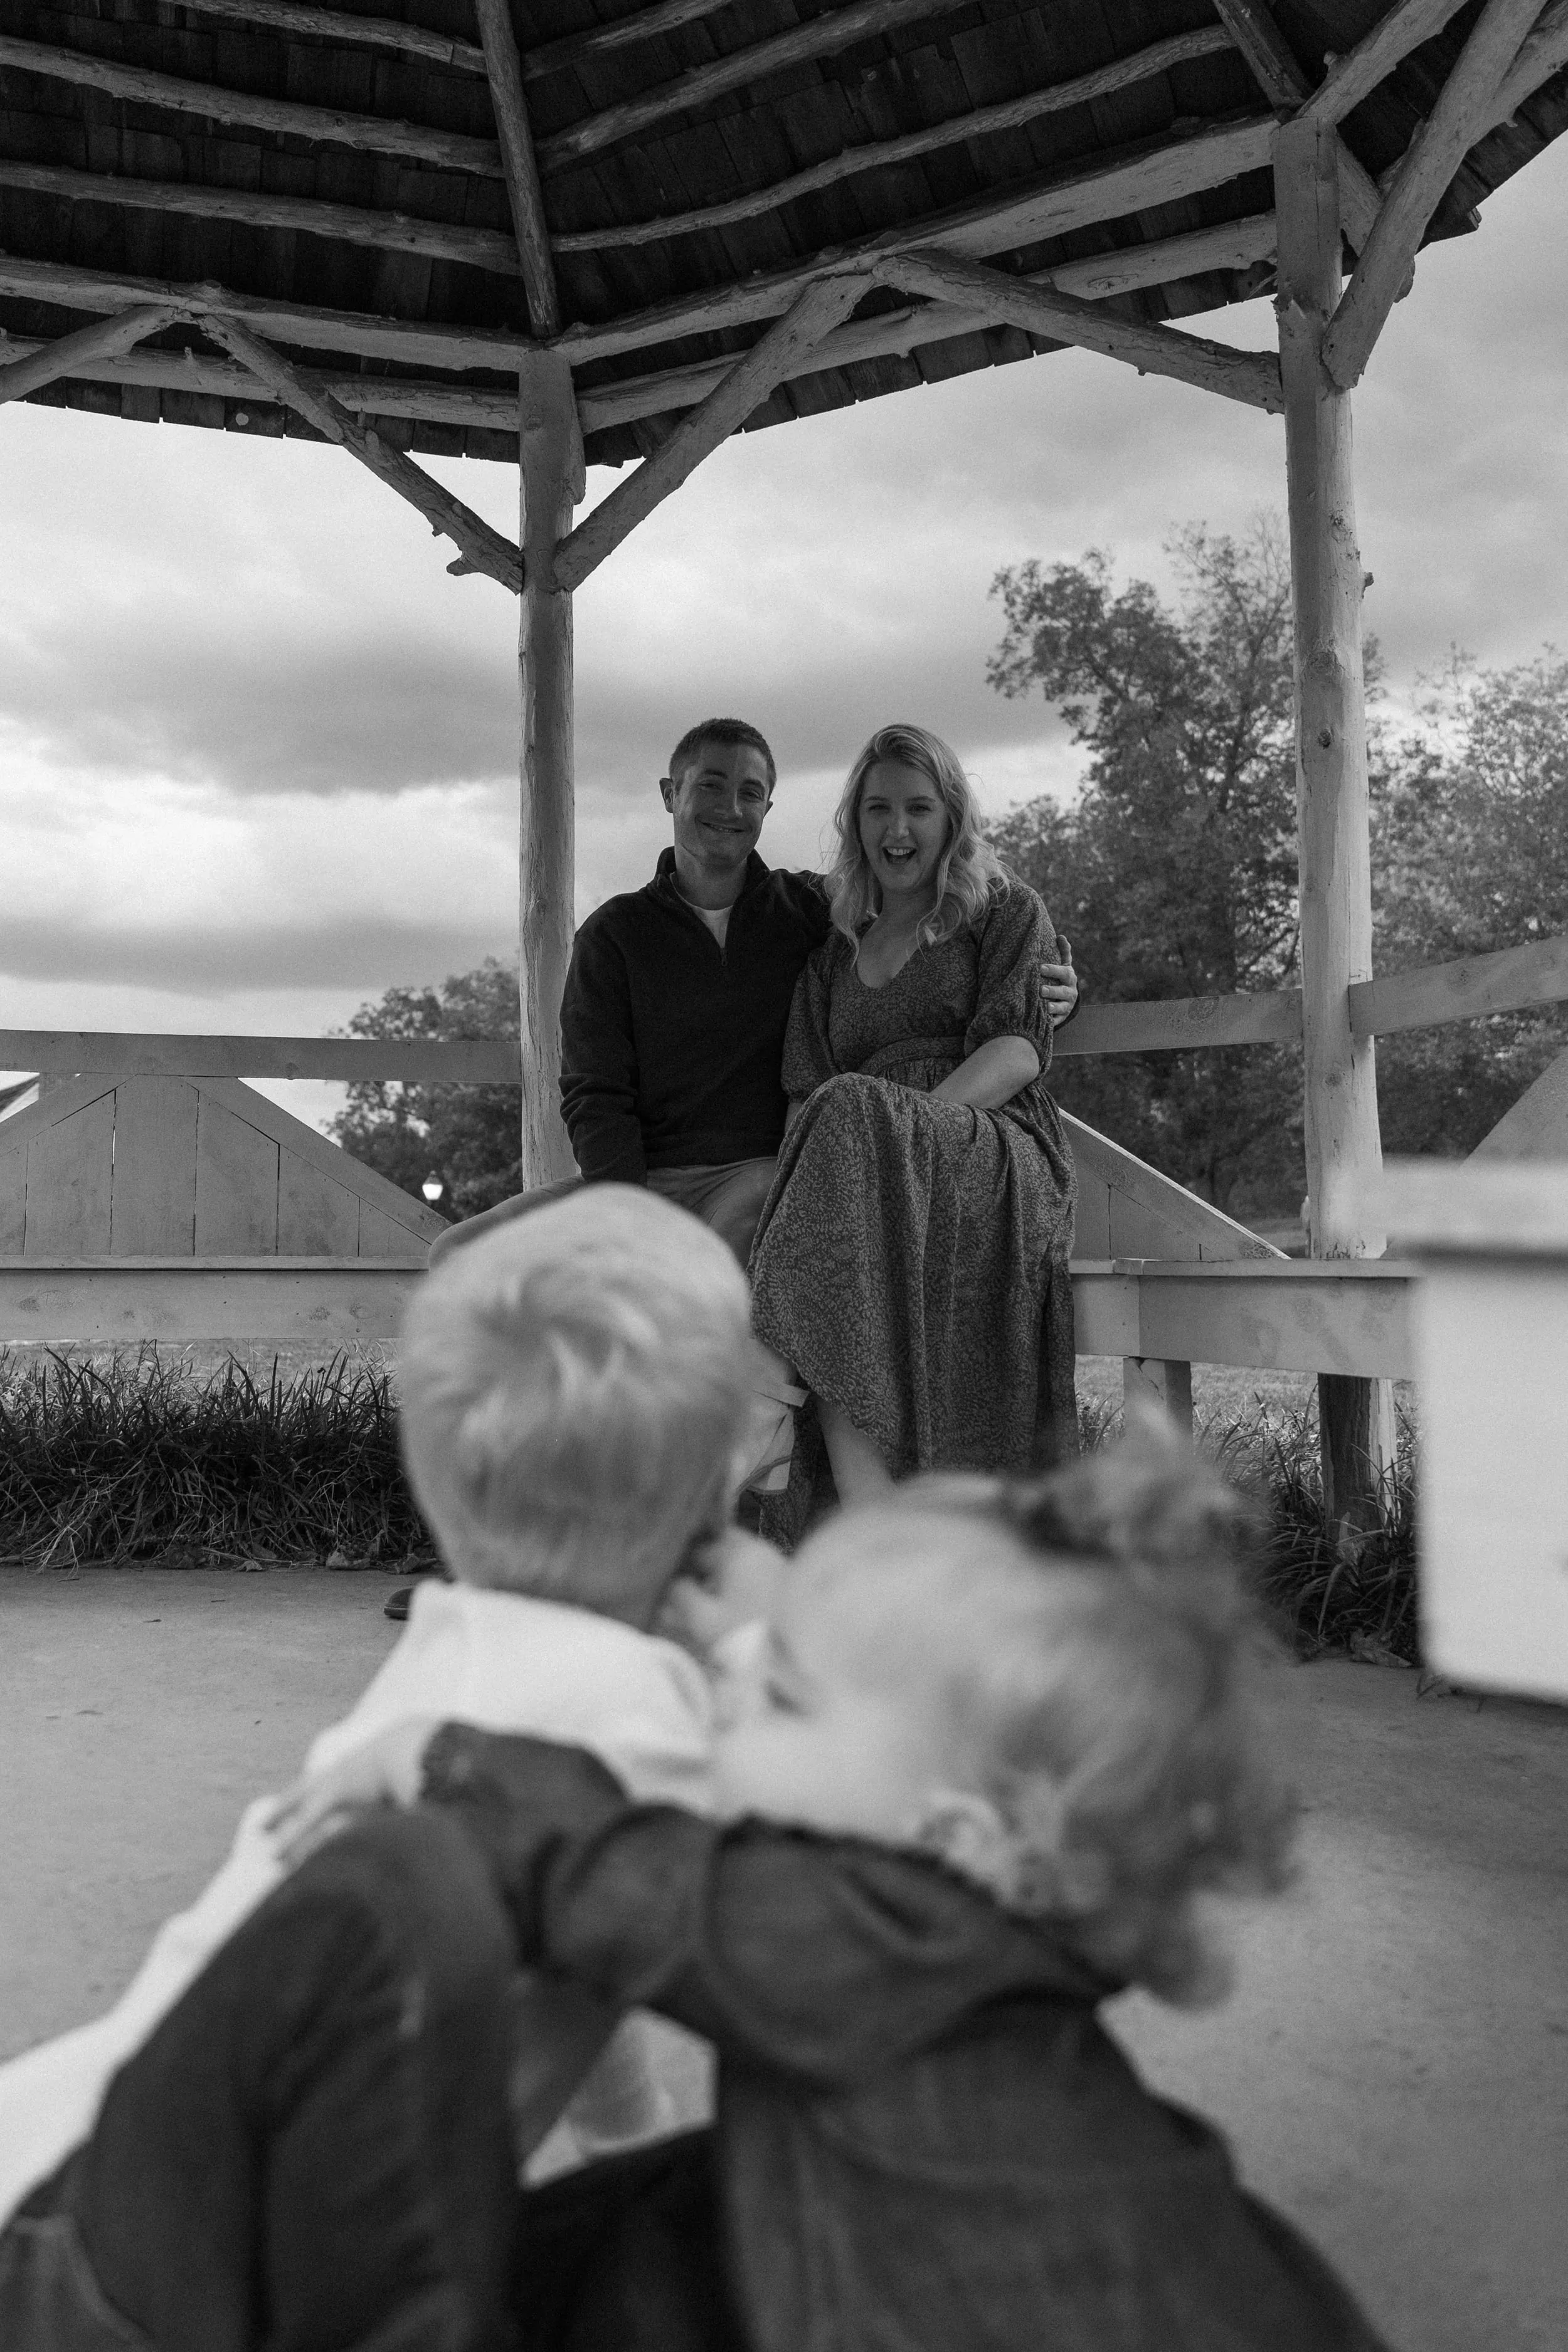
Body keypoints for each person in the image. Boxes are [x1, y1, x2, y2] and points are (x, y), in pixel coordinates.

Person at [265, 1441, 1391, 2352]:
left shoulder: (874, 1950)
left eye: (785, 1697)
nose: (733, 1692)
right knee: (655, 2218)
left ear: (952, 1838)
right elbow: (866, 1757)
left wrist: (442, 1758)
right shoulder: (961, 1933)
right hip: (1141, 2271)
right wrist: (770, 1633)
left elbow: (632, 1877)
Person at [0, 1185, 771, 2341]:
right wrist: (769, 1648)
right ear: (726, 1474)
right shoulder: (638, 1704)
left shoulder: (460, 1659)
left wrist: (626, 2133)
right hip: (150, 2270)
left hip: (86, 2172)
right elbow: (800, 1907)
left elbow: (587, 1935)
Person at [432, 715, 1079, 1273]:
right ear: (670, 793)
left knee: (698, 1269)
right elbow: (594, 1094)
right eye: (711, 785)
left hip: (756, 1172)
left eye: (751, 793)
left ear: (768, 809)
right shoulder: (613, 936)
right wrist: (624, 1214)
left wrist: (1060, 991)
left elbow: (928, 927)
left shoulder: (812, 912)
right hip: (636, 1181)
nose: (731, 808)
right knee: (459, 1256)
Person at [749, 721, 1078, 1532]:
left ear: (950, 817)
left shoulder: (1002, 910)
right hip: (861, 1164)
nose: (898, 829)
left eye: (919, 808)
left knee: (850, 1108)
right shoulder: (833, 955)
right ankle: (872, 1520)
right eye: (879, 809)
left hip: (985, 1142)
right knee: (837, 1228)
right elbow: (803, 1096)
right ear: (856, 822)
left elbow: (1016, 1048)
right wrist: (836, 1168)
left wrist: (908, 1132)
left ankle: (762, 1398)